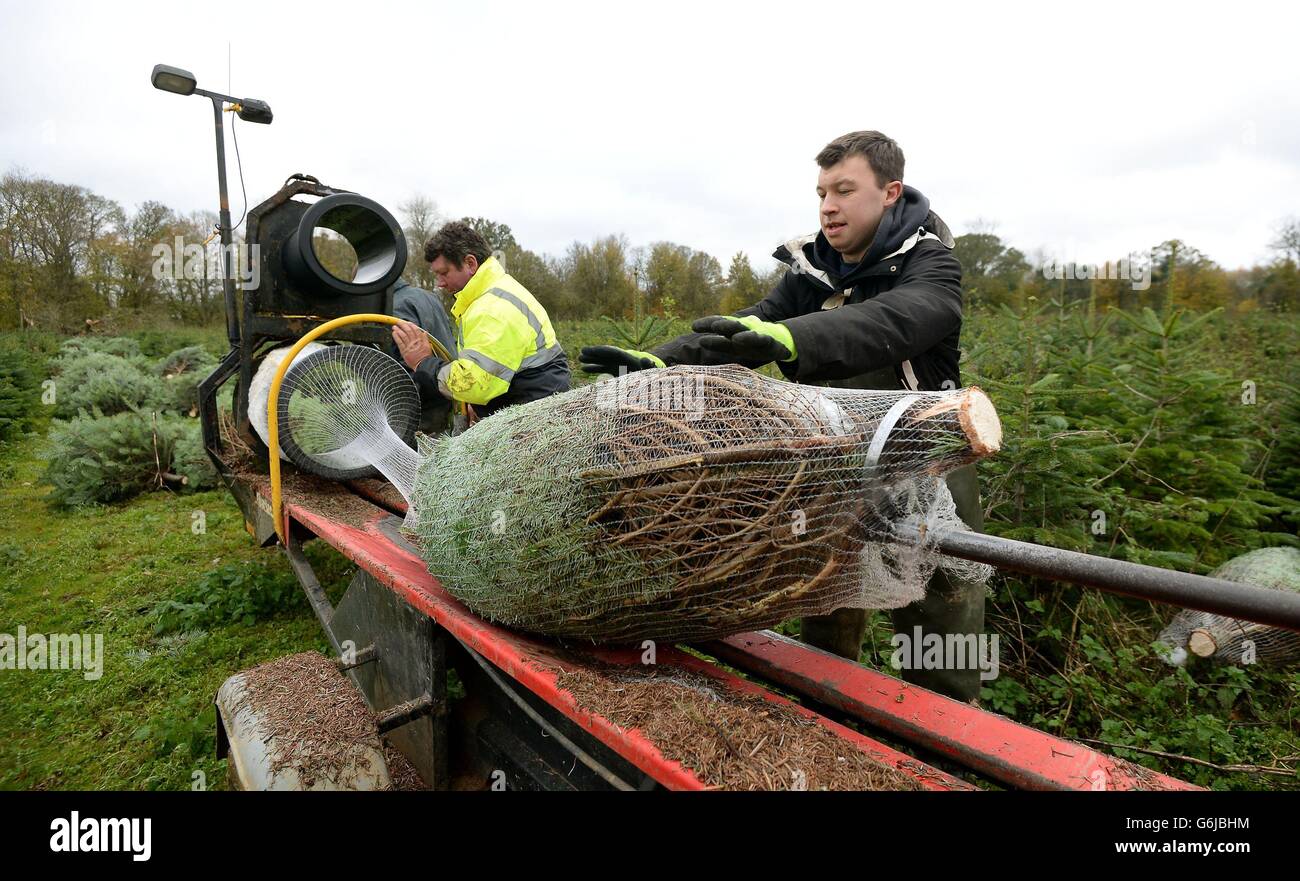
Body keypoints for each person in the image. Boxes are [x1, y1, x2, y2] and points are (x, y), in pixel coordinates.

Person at [579, 131, 985, 703]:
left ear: (890, 192)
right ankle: (831, 727)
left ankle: (950, 748)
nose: (828, 206)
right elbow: (750, 326)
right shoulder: (811, 269)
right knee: (827, 602)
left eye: (845, 190)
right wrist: (662, 360)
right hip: (838, 465)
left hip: (927, 472)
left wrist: (791, 337)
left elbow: (897, 320)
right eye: (821, 192)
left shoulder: (930, 265)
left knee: (941, 620)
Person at [392, 221, 570, 422]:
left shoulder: (492, 309)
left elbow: (476, 384)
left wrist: (423, 362)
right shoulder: (490, 293)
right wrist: (476, 403)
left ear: (470, 263)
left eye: (444, 273)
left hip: (536, 419)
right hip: (536, 404)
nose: (440, 283)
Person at [389, 276, 458, 433]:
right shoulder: (429, 297)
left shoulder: (395, 307)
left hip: (422, 407)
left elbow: (404, 367)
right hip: (448, 390)